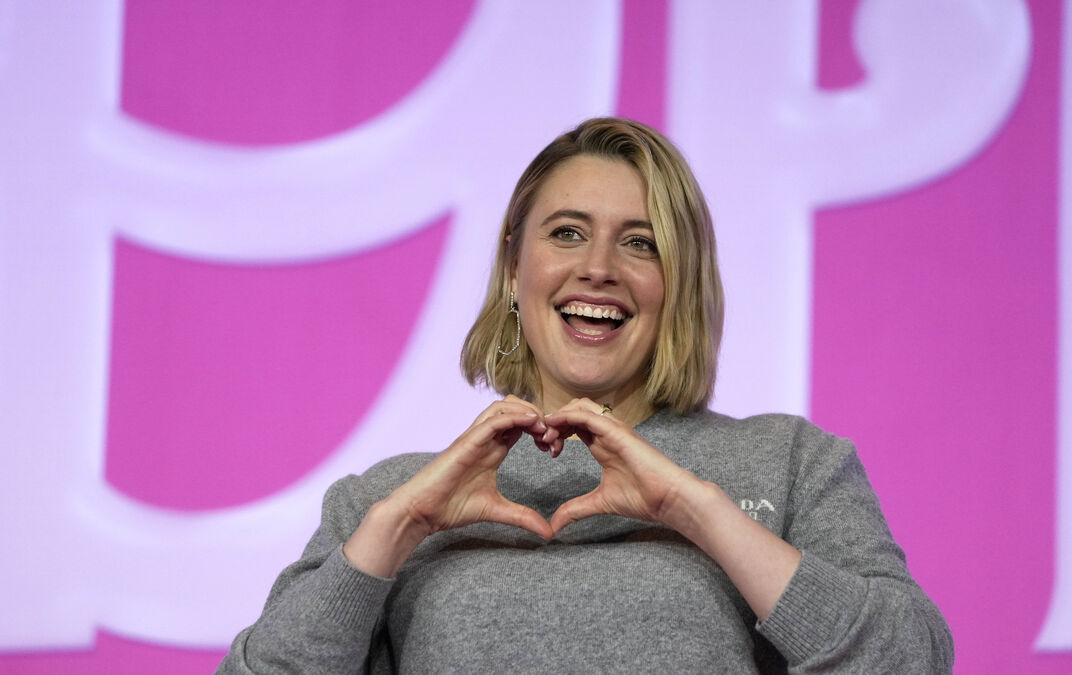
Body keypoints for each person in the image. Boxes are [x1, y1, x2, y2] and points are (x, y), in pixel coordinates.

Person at [217, 117, 953, 673]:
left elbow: (909, 660)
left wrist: (697, 509)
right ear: (514, 267)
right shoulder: (385, 499)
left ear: (680, 284)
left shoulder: (790, 463)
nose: (598, 267)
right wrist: (401, 524)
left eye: (640, 242)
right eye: (567, 233)